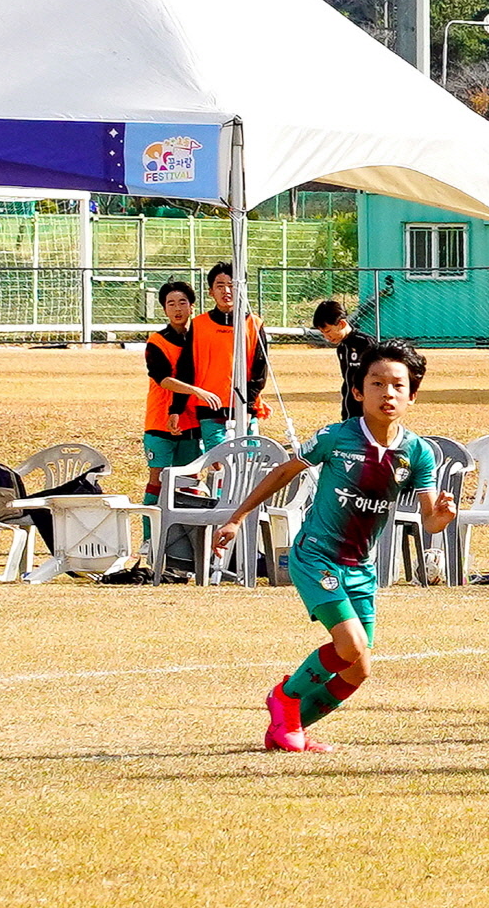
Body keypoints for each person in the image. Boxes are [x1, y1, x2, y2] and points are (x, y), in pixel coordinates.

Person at [216, 340, 454, 752]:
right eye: (376, 384)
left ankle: (289, 728)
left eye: (398, 385)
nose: (388, 393)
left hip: (361, 567)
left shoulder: (417, 453)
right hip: (317, 558)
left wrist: (443, 517)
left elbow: (431, 517)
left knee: (357, 670)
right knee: (350, 645)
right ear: (358, 391)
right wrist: (237, 517)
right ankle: (285, 698)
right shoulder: (336, 437)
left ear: (412, 395)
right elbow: (283, 472)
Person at [142, 280, 224, 513]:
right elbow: (162, 378)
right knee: (157, 479)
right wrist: (196, 390)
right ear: (164, 309)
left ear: (192, 307)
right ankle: (150, 537)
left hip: (191, 420)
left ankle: (187, 540)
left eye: (182, 303)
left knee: (190, 480)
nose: (177, 309)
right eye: (171, 304)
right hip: (160, 421)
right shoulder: (157, 341)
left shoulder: (200, 338)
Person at [187, 262, 269, 430]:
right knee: (218, 455)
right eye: (220, 286)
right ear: (211, 291)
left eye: (232, 285)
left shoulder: (253, 324)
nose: (227, 291)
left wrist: (248, 405)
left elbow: (260, 370)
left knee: (249, 455)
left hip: (245, 407)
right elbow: (187, 367)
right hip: (209, 408)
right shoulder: (198, 325)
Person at [313, 301, 376, 421]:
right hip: (349, 410)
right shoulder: (342, 348)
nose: (326, 337)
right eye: (323, 333)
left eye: (328, 331)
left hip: (367, 412)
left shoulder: (365, 343)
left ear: (341, 324)